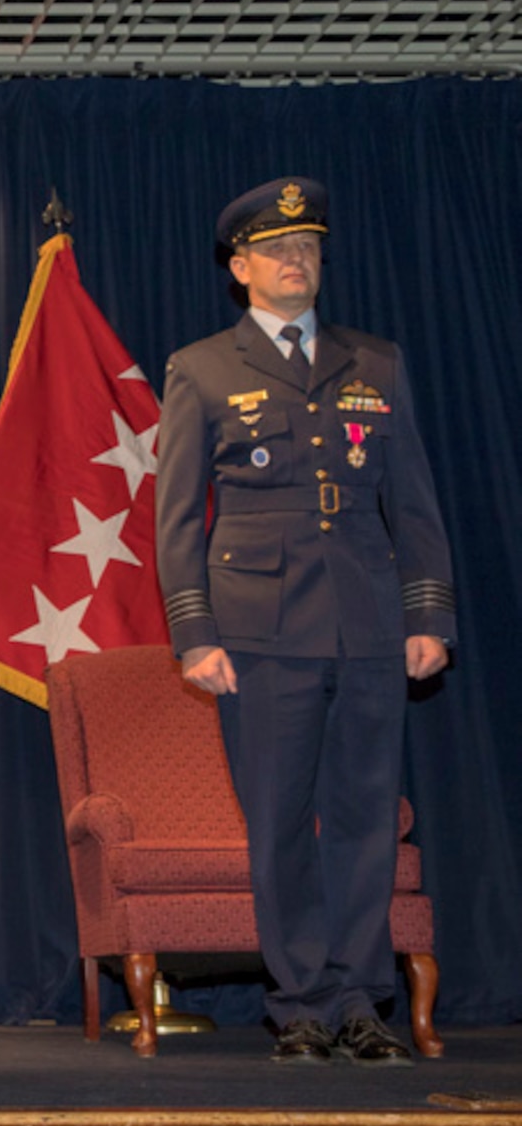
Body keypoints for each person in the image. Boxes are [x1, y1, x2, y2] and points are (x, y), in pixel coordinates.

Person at [155, 178, 456, 1066]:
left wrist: (427, 611)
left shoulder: (377, 362)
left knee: (367, 818)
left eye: (311, 248)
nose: (298, 261)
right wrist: (194, 633)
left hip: (367, 622)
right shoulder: (201, 368)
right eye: (279, 250)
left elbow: (417, 505)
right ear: (240, 267)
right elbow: (176, 519)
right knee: (280, 820)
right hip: (257, 630)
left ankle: (361, 999)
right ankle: (301, 1005)